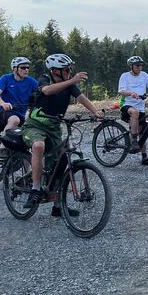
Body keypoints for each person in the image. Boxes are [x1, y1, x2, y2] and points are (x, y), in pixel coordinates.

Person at [22, 54, 104, 214]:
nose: (69, 72)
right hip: (34, 125)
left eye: (69, 69)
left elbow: (81, 98)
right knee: (38, 145)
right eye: (66, 69)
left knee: (60, 164)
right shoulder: (45, 78)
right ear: (55, 71)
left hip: (54, 129)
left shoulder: (69, 85)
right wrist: (72, 80)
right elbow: (46, 91)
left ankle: (58, 206)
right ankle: (35, 189)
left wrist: (96, 111)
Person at [118, 55, 148, 166]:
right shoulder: (125, 76)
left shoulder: (144, 75)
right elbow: (121, 90)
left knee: (143, 131)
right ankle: (133, 139)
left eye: (141, 65)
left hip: (140, 107)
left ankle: (144, 158)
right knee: (134, 113)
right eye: (137, 65)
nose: (139, 67)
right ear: (131, 66)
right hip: (127, 104)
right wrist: (131, 93)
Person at [0, 56, 38, 132]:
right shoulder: (6, 78)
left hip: (21, 115)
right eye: (23, 68)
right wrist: (3, 104)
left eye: (28, 67)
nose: (26, 70)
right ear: (15, 68)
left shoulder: (31, 81)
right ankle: (3, 142)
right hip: (2, 112)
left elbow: (43, 91)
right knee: (15, 120)